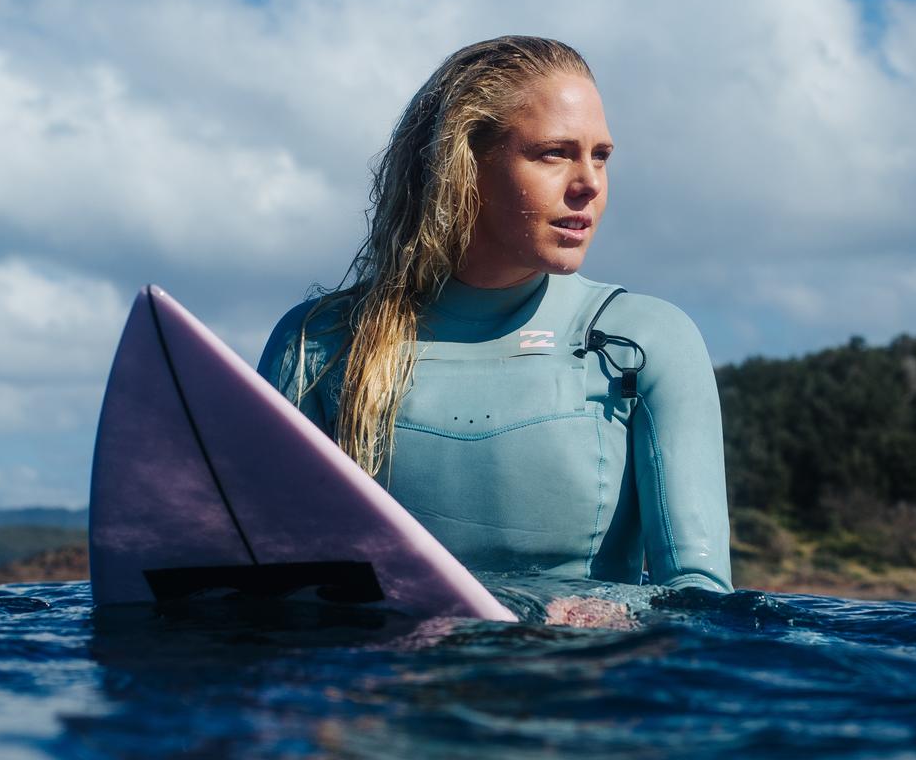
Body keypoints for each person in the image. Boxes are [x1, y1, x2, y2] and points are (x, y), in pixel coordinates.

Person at [259, 36, 733, 594]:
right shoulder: (321, 343)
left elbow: (698, 596)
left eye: (600, 156)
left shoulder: (645, 340)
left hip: (579, 677)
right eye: (554, 153)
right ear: (463, 167)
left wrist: (616, 614)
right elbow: (259, 579)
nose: (589, 185)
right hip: (386, 676)